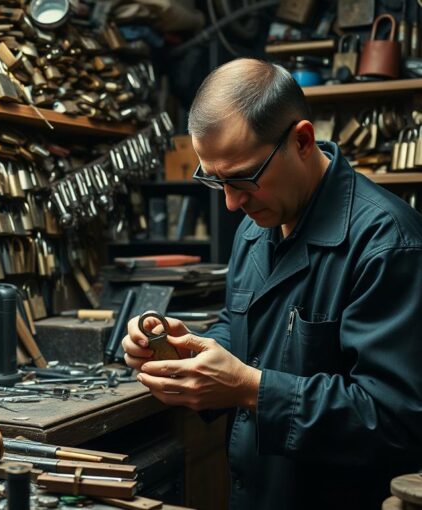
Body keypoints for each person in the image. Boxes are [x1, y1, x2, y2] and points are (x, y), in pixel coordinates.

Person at [121, 58, 422, 510]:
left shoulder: (389, 244)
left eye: (243, 178)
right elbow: (243, 331)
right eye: (215, 180)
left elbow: (396, 419)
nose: (230, 202)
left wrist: (249, 388)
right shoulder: (255, 227)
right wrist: (187, 349)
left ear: (302, 140)